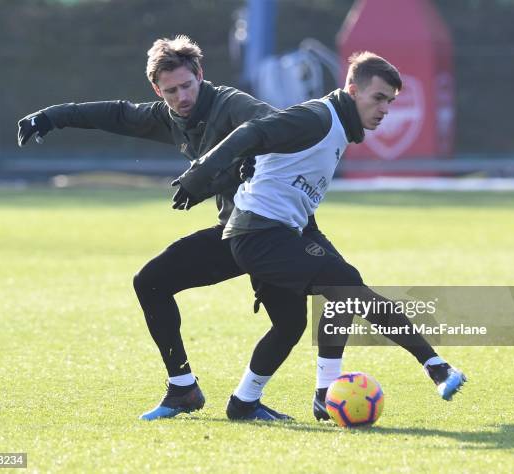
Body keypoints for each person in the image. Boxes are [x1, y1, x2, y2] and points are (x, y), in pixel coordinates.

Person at [17, 35, 337, 421]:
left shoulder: (233, 104)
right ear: (158, 89)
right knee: (150, 281)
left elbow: (277, 129)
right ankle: (183, 388)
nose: (181, 97)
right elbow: (117, 114)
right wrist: (51, 117)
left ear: (201, 75)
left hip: (277, 232)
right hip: (235, 232)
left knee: (294, 321)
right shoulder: (168, 117)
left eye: (187, 85)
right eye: (170, 91)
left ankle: (267, 399)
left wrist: (227, 171)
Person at [173, 51, 466, 420]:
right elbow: (251, 132)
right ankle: (433, 366)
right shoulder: (316, 117)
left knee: (295, 321)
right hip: (257, 234)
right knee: (346, 284)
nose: (385, 109)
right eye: (378, 98)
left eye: (390, 102)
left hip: (283, 231)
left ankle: (245, 402)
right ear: (352, 90)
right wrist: (202, 173)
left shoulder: (340, 126)